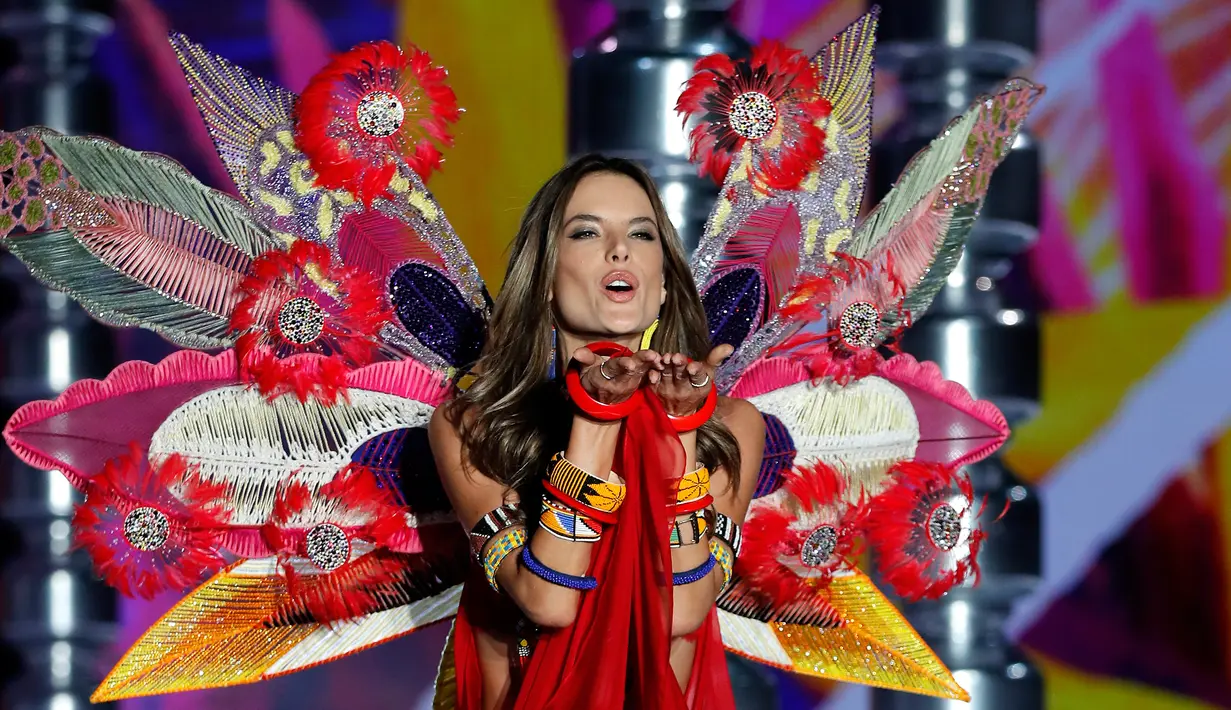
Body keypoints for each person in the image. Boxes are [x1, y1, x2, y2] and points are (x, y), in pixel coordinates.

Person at [429, 155, 763, 709]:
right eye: (587, 231)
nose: (619, 249)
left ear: (660, 286)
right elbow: (550, 600)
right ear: (544, 280)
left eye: (641, 233)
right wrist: (596, 415)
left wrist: (679, 432)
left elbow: (680, 612)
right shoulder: (474, 425)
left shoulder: (728, 426)